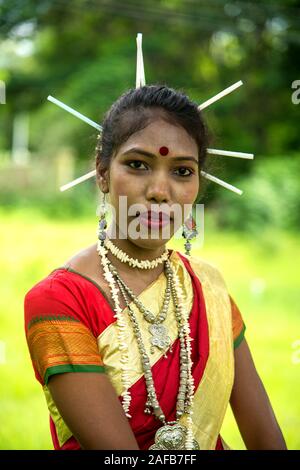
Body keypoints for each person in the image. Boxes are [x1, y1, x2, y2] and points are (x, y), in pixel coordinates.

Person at [24, 85, 287, 450]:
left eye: (182, 171)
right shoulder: (59, 302)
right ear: (101, 172)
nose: (160, 191)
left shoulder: (210, 290)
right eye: (137, 164)